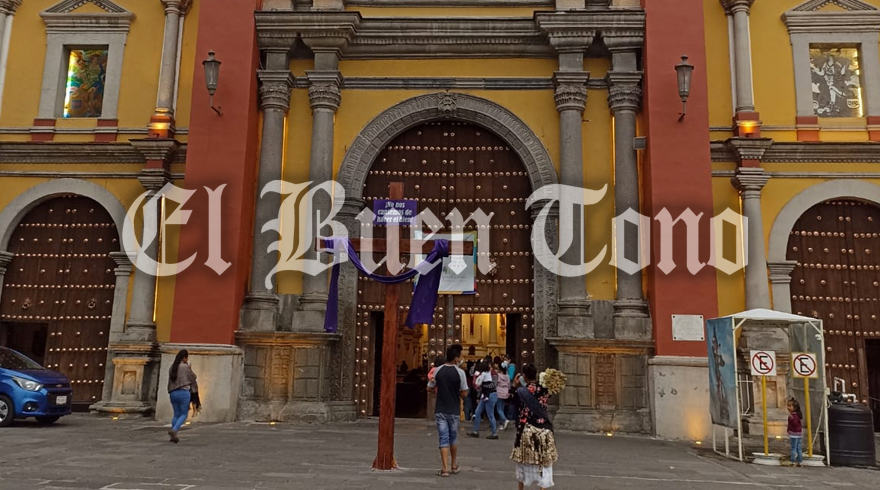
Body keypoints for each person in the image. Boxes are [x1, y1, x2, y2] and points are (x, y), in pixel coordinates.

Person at [511, 363, 557, 490]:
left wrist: (514, 385)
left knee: (523, 460)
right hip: (544, 430)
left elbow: (509, 399)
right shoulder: (544, 390)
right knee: (544, 461)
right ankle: (543, 488)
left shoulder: (520, 392)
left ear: (524, 376)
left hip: (527, 429)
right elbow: (552, 390)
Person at [427, 344, 468, 477]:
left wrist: (438, 391)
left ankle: (444, 468)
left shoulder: (438, 370)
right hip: (454, 409)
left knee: (443, 438)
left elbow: (429, 387)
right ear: (456, 358)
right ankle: (453, 465)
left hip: (441, 408)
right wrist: (457, 393)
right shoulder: (460, 373)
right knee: (453, 438)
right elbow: (464, 392)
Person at [167, 349, 199, 444]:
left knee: (176, 414)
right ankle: (175, 430)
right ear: (184, 358)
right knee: (184, 414)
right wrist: (190, 367)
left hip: (173, 393)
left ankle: (173, 434)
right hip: (183, 392)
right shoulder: (185, 367)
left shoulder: (172, 367)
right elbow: (193, 377)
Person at [467, 359, 499, 439]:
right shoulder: (488, 373)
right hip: (485, 394)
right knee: (478, 412)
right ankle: (475, 431)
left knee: (490, 414)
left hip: (490, 394)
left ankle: (494, 433)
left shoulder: (492, 374)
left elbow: (493, 385)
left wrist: (482, 385)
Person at [494, 356, 511, 431]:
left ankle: (505, 420)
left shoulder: (498, 375)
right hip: (505, 392)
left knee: (499, 409)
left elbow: (495, 383)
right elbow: (509, 384)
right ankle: (502, 424)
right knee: (502, 409)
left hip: (499, 392)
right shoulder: (507, 376)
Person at [788, 398, 804, 467]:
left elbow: (794, 424)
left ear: (794, 408)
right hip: (799, 434)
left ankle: (793, 461)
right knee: (799, 448)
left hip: (794, 434)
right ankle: (800, 461)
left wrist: (791, 419)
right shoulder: (798, 415)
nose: (788, 408)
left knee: (793, 448)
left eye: (789, 406)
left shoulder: (793, 416)